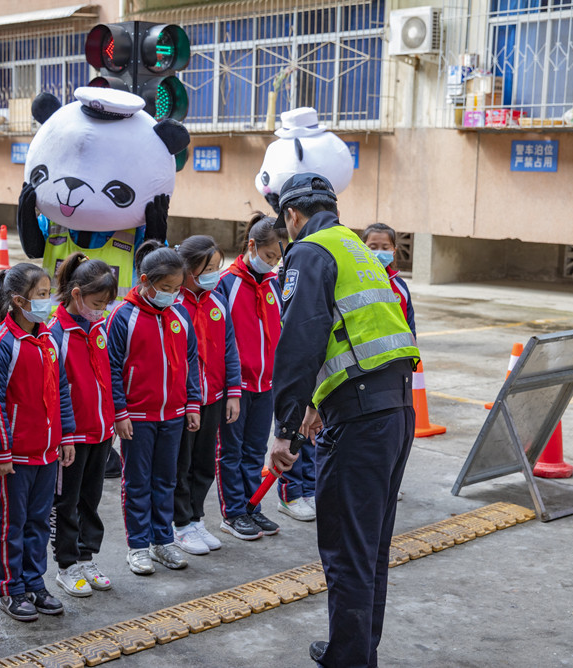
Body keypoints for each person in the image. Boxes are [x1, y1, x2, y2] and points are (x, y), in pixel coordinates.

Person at [268, 173, 419, 668]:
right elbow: (352, 336)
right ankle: (355, 649)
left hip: (362, 421)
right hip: (394, 410)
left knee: (346, 547)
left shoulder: (309, 252)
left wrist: (285, 429)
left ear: (292, 216)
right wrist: (318, 403)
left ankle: (350, 660)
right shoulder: (356, 248)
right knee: (370, 546)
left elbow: (300, 341)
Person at [0, 263, 76, 622]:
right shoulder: (1, 345)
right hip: (16, 457)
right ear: (19, 301)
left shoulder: (48, 340)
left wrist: (66, 435)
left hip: (47, 453)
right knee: (13, 523)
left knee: (39, 522)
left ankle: (35, 582)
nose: (48, 301)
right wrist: (2, 451)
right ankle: (11, 588)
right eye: (41, 295)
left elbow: (61, 390)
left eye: (48, 293)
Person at [106, 240, 201, 575]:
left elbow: (191, 360)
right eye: (166, 288)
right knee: (137, 482)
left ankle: (163, 541)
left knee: (166, 480)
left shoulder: (180, 314)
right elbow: (112, 367)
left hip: (173, 414)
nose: (172, 295)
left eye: (176, 289)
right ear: (145, 281)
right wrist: (120, 412)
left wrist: (192, 402)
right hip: (137, 417)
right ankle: (138, 546)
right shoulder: (122, 316)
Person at [213, 214, 289, 540]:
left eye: (276, 259)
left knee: (255, 451)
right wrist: (229, 384)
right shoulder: (225, 284)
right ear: (252, 246)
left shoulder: (273, 284)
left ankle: (251, 507)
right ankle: (232, 513)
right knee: (230, 451)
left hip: (265, 384)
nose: (271, 264)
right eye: (268, 256)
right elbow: (217, 339)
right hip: (236, 386)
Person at [48, 253, 118, 597]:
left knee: (91, 498)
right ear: (76, 294)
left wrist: (113, 419)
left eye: (106, 304)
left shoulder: (99, 327)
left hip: (101, 432)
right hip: (73, 438)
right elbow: (54, 391)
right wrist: (64, 435)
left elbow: (108, 375)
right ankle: (67, 564)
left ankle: (87, 556)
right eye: (97, 303)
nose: (101, 310)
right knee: (67, 501)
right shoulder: (55, 333)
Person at [172, 236, 241, 556]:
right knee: (181, 464)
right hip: (184, 402)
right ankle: (180, 524)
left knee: (204, 463)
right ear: (188, 270)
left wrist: (233, 392)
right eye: (207, 269)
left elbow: (229, 349)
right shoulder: (175, 306)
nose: (214, 275)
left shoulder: (218, 303)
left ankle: (196, 518)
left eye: (216, 267)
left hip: (214, 397)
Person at [362, 223, 416, 338]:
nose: (379, 252)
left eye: (385, 248)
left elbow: (409, 325)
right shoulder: (354, 282)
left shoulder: (400, 286)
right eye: (373, 247)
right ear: (362, 248)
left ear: (394, 251)